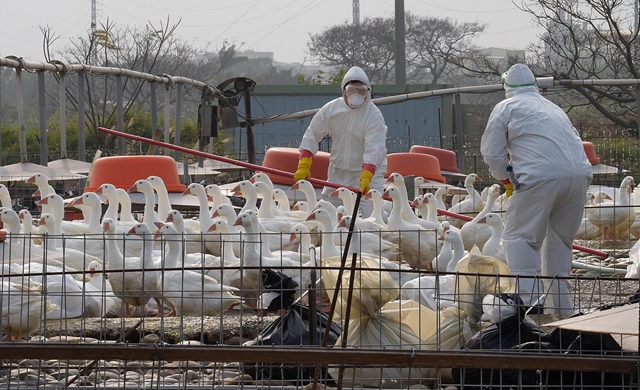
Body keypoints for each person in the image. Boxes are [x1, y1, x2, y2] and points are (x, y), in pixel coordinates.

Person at [480, 63, 592, 315]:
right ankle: (562, 310)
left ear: (506, 86)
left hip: (540, 177)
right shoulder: (553, 108)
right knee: (560, 243)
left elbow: (491, 152)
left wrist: (505, 178)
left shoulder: (506, 107)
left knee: (520, 238)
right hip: (579, 176)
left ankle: (530, 307)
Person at [293, 66, 388, 217]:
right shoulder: (331, 109)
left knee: (373, 219)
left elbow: (374, 148)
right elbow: (312, 134)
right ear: (343, 90)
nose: (356, 95)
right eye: (351, 90)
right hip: (337, 175)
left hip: (367, 177)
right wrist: (304, 164)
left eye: (361, 91)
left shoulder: (373, 115)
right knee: (327, 215)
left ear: (368, 92)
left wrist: (367, 175)